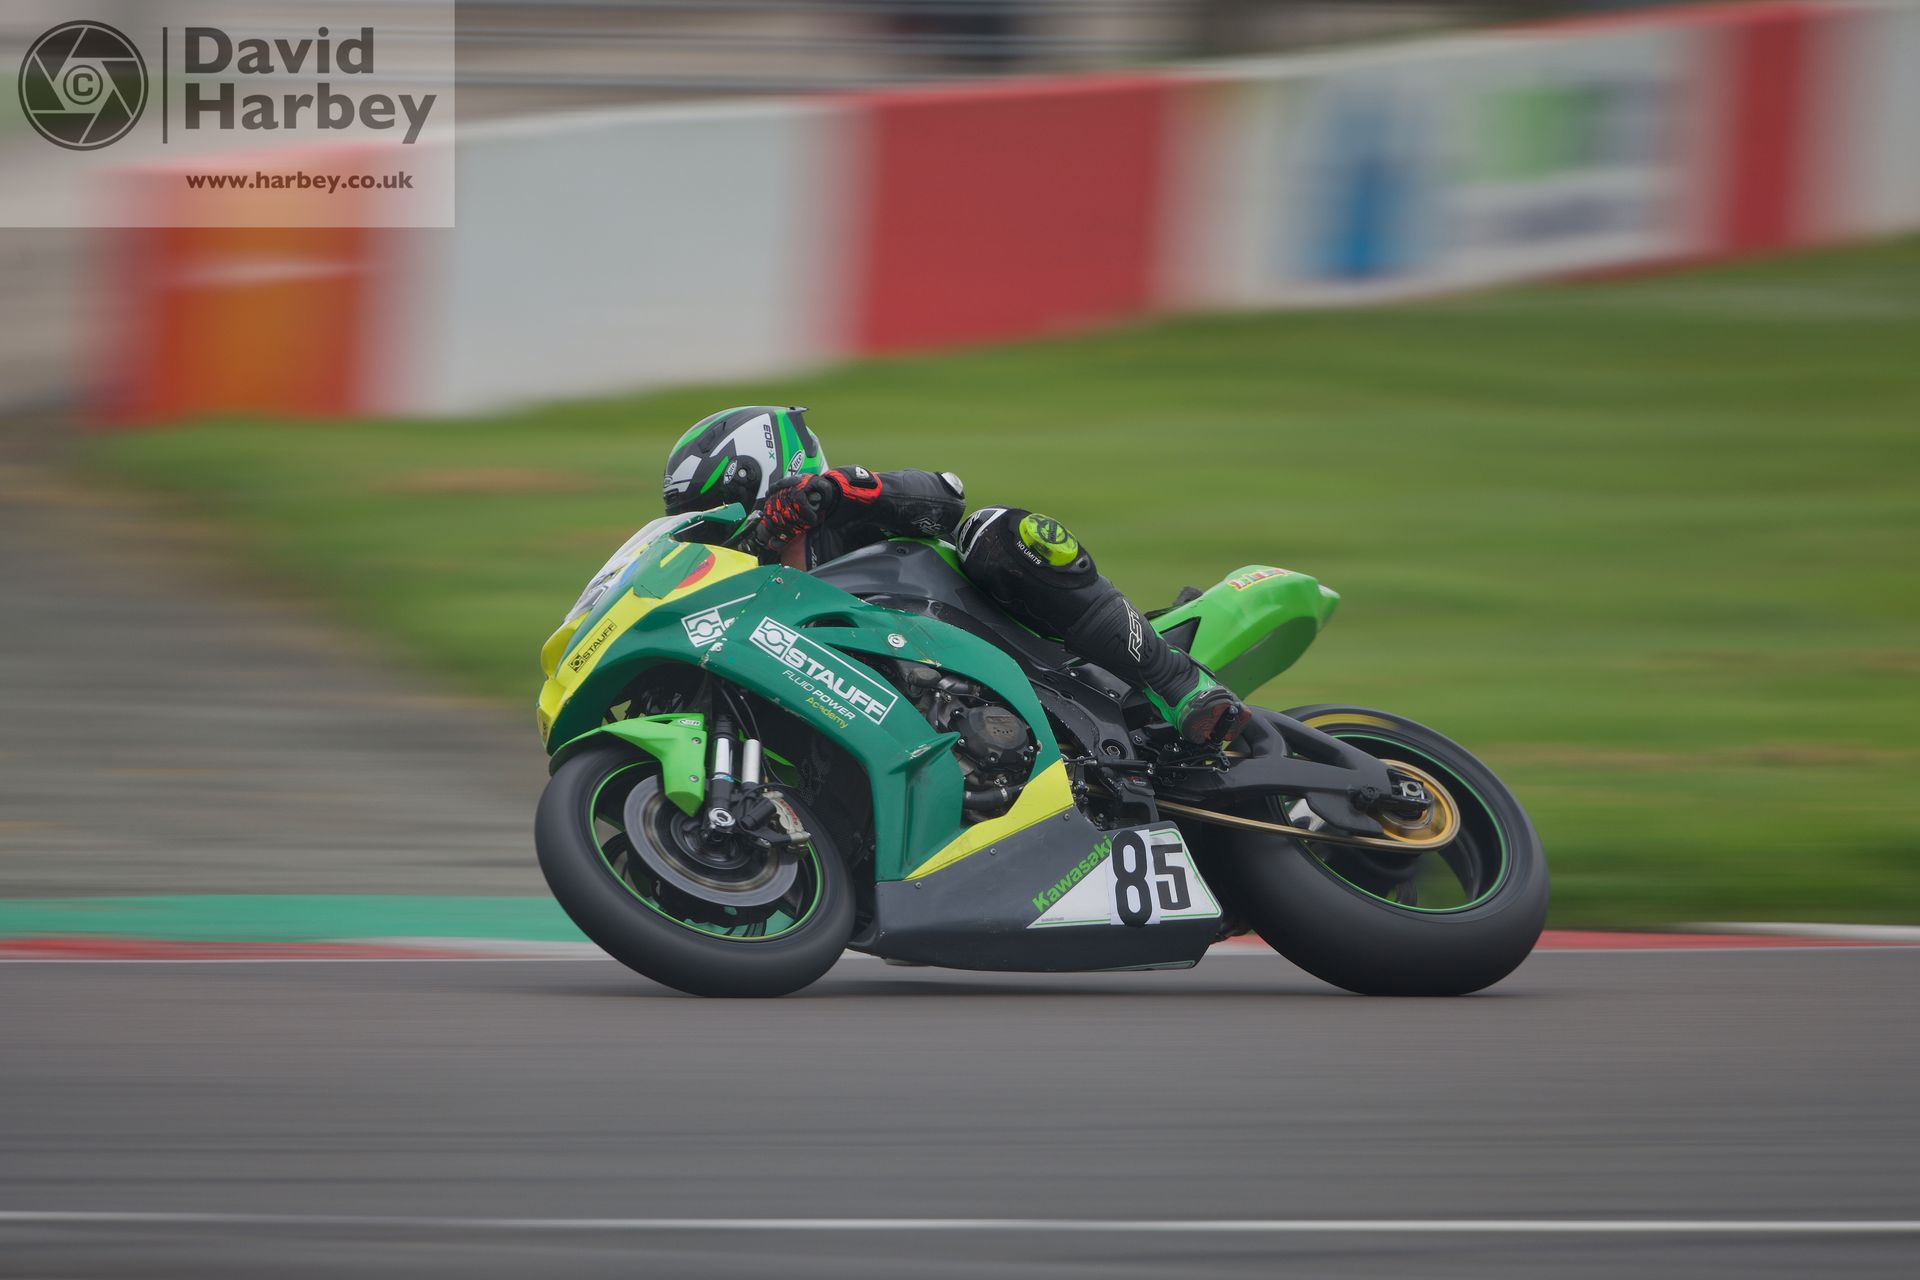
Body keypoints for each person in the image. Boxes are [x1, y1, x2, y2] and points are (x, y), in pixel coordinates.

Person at [661, 406, 1251, 745]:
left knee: (998, 531)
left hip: (1020, 653)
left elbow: (947, 494)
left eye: (707, 508)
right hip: (940, 727)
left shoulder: (843, 512)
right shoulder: (747, 598)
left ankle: (1179, 684)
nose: (705, 527)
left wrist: (840, 489)